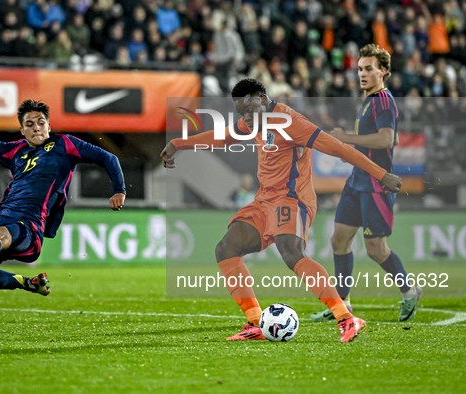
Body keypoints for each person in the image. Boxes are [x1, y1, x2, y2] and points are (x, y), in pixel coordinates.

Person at [160, 78, 402, 343]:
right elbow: (222, 138)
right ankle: (254, 323)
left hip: (293, 198)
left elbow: (338, 148)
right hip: (264, 201)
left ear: (263, 100)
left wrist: (380, 174)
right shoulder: (252, 121)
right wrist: (178, 144)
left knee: (291, 252)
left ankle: (346, 318)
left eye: (250, 110)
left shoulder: (291, 122)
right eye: (242, 113)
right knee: (226, 248)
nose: (247, 118)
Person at [0, 96, 125, 296]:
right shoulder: (16, 151)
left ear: (48, 125)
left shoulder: (64, 144)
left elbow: (108, 157)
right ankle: (27, 282)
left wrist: (119, 190)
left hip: (29, 227)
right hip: (0, 222)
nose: (36, 128)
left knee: (1, 235)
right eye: (29, 124)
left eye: (40, 123)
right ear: (22, 131)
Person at [311, 44, 422, 323]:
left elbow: (387, 139)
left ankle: (409, 292)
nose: (362, 74)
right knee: (339, 240)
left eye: (369, 69)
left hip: (376, 185)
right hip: (357, 181)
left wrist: (346, 138)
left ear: (383, 71)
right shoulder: (369, 100)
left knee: (376, 249)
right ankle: (342, 304)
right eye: (360, 69)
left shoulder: (384, 101)